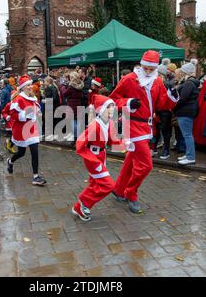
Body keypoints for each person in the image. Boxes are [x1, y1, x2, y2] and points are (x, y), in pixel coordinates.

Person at [109, 50, 179, 214]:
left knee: (131, 160)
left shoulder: (157, 81)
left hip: (147, 127)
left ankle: (119, 189)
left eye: (151, 69)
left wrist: (173, 95)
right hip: (132, 126)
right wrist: (128, 102)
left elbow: (161, 104)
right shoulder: (129, 79)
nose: (147, 71)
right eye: (145, 68)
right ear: (141, 65)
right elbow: (113, 100)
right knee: (146, 165)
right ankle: (131, 193)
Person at [72, 94, 132, 222]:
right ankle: (84, 202)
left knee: (95, 183)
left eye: (113, 107)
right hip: (93, 158)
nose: (112, 110)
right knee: (109, 185)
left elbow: (111, 140)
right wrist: (93, 161)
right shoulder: (95, 125)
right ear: (101, 109)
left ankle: (78, 207)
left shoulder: (108, 122)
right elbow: (79, 145)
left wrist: (125, 146)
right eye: (109, 108)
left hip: (101, 155)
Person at [6, 75, 47, 186]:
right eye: (28, 85)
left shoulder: (33, 97)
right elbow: (13, 115)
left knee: (35, 152)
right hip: (22, 129)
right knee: (21, 152)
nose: (30, 87)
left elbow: (36, 110)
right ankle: (10, 161)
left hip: (32, 128)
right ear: (23, 87)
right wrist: (26, 114)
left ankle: (35, 176)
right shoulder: (18, 98)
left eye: (30, 85)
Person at [173, 59, 200, 166]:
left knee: (187, 135)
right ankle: (188, 154)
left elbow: (183, 98)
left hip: (185, 112)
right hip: (187, 111)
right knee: (187, 135)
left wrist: (173, 107)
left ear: (185, 72)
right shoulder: (191, 82)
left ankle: (190, 157)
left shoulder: (188, 83)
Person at [63, 72, 84, 140]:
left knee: (72, 121)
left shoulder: (71, 86)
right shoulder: (80, 85)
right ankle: (79, 136)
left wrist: (63, 87)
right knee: (77, 121)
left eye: (71, 77)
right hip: (78, 103)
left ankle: (76, 137)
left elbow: (64, 94)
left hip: (71, 105)